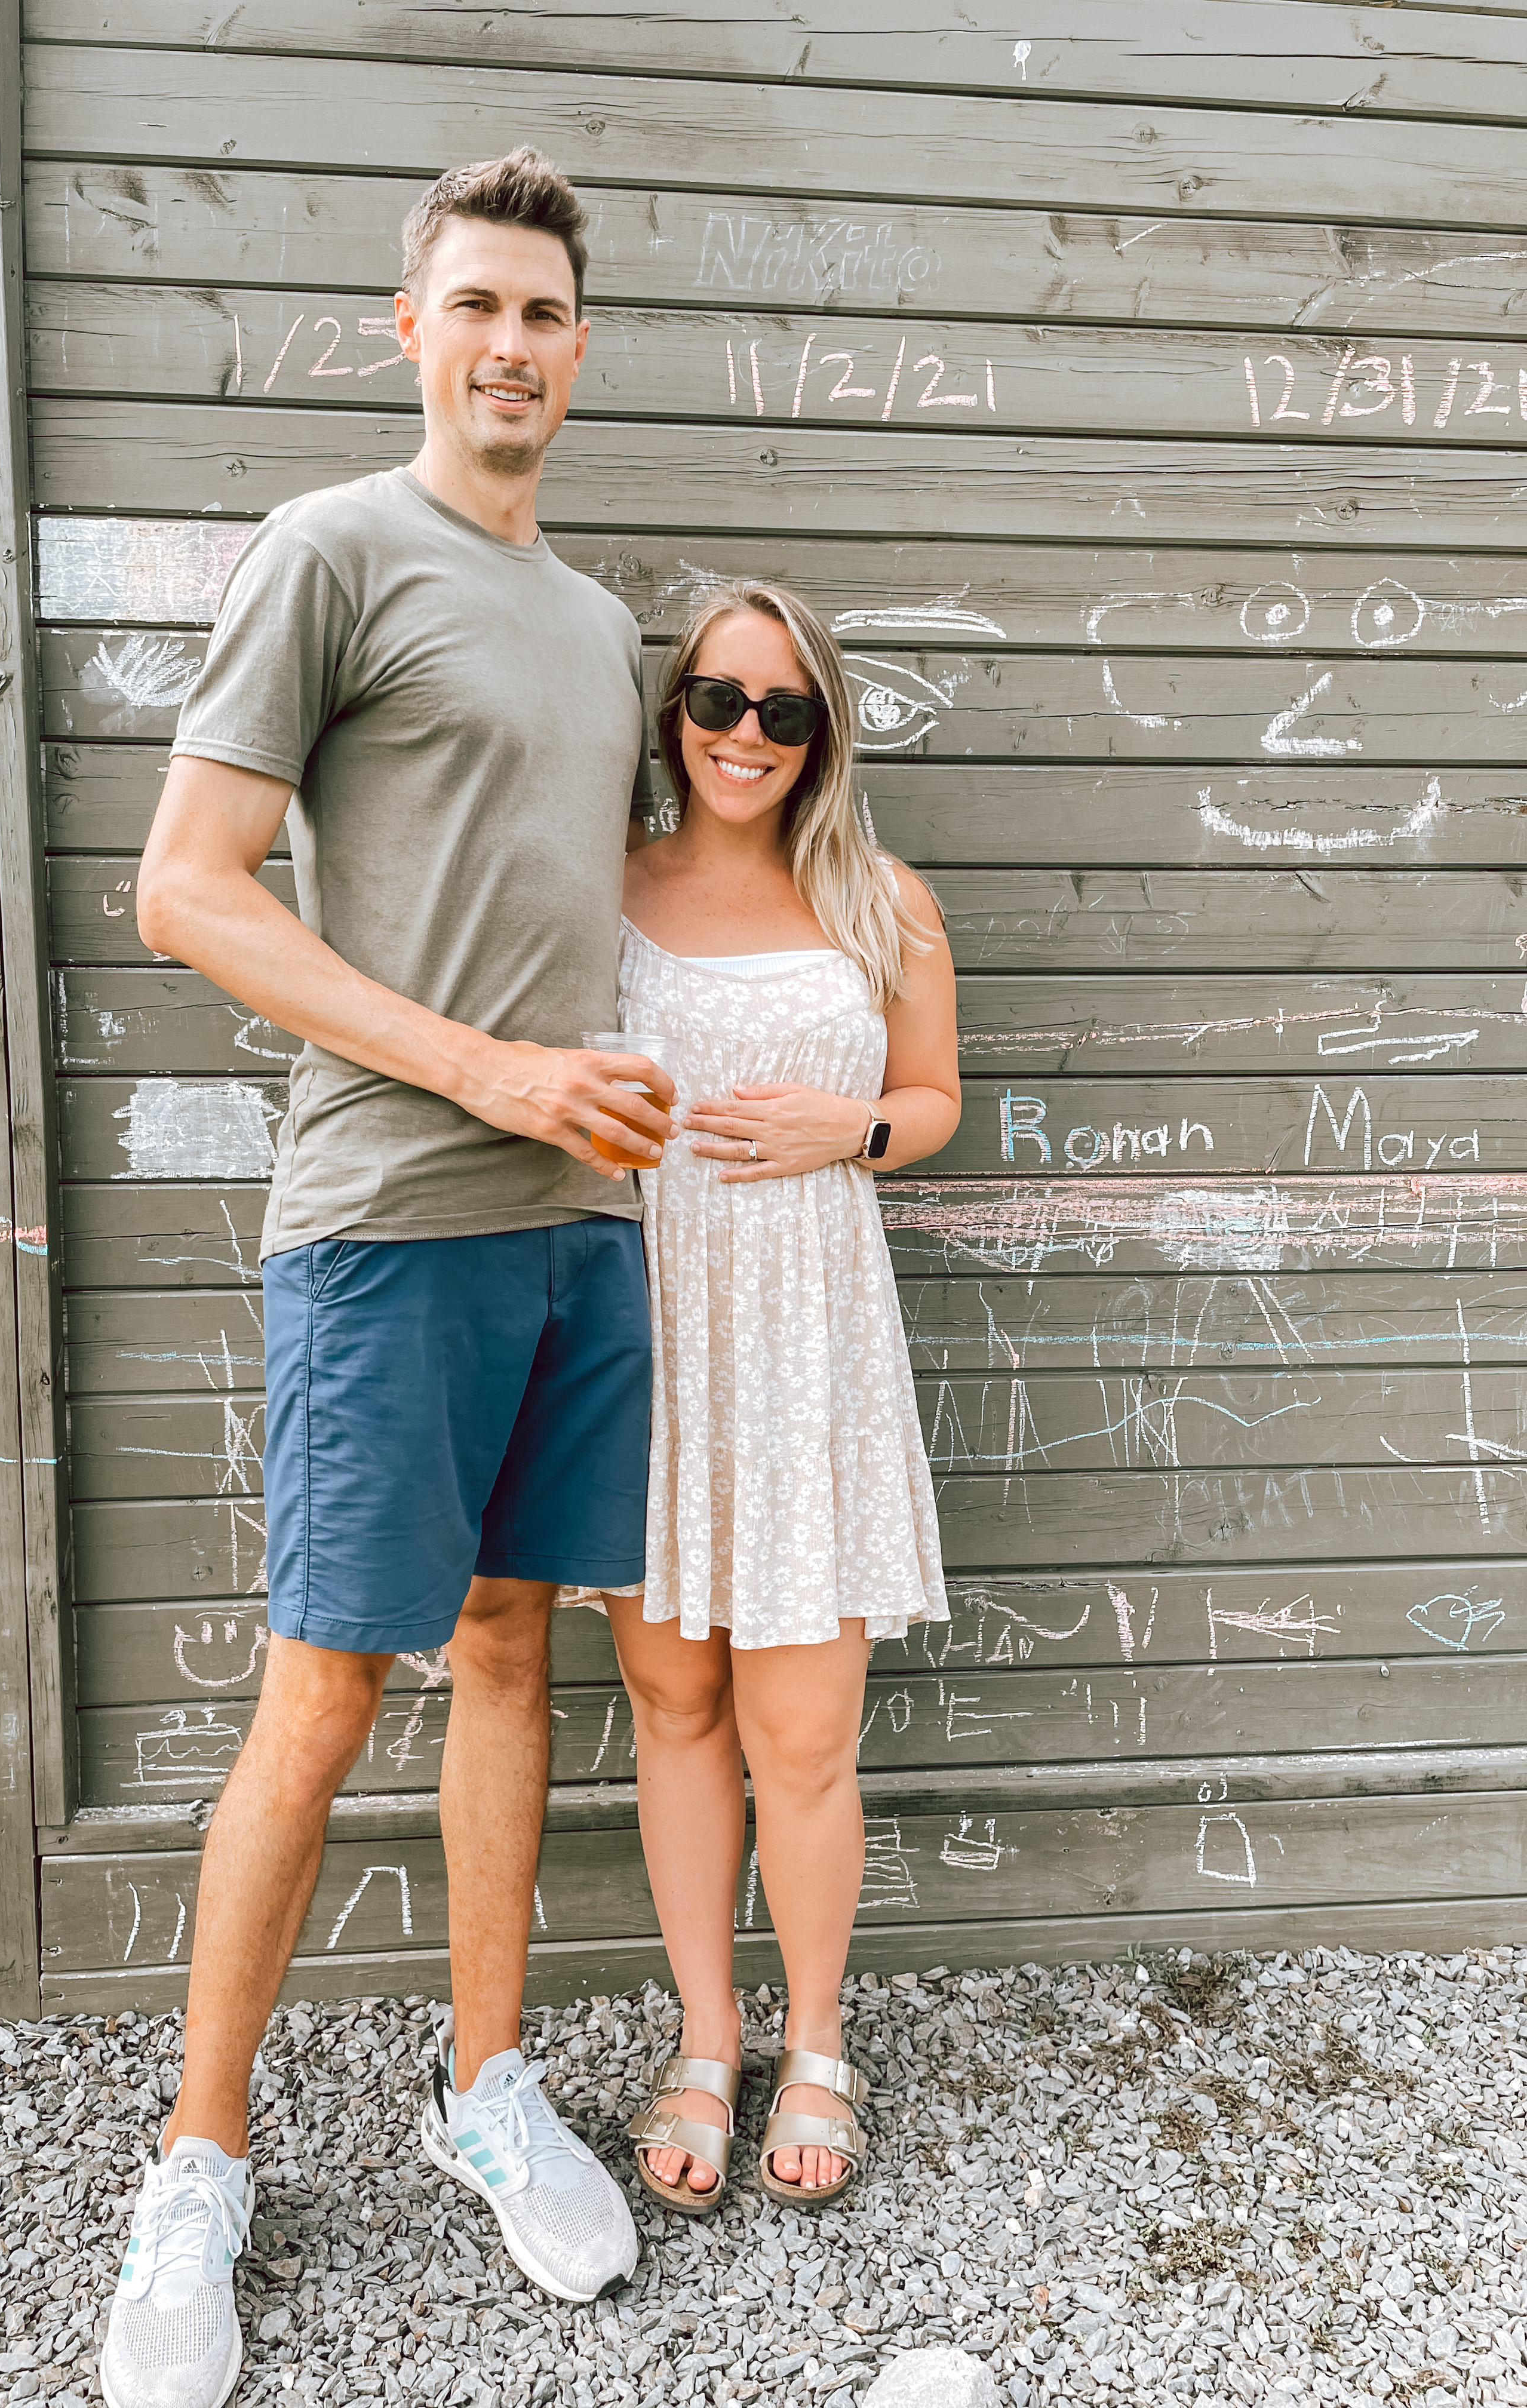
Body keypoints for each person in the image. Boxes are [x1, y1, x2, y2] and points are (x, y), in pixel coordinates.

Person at [101, 149, 674, 2408]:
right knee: (326, 1692)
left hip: (578, 1229)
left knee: (512, 1654)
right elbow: (187, 887)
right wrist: (485, 1070)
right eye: (477, 306)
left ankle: (486, 2084)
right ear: (410, 330)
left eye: (545, 311)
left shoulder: (601, 624)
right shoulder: (333, 549)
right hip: (386, 1220)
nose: (511, 344)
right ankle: (198, 2166)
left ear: (579, 349)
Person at [571, 582, 960, 2213]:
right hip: (652, 1332)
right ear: (674, 713)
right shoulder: (600, 885)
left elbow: (933, 1098)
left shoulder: (880, 896)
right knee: (673, 1706)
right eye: (720, 701)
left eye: (785, 711)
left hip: (810, 1347)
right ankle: (706, 2035)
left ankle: (815, 2042)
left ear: (823, 732)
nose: (747, 735)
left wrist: (844, 1132)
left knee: (800, 1735)